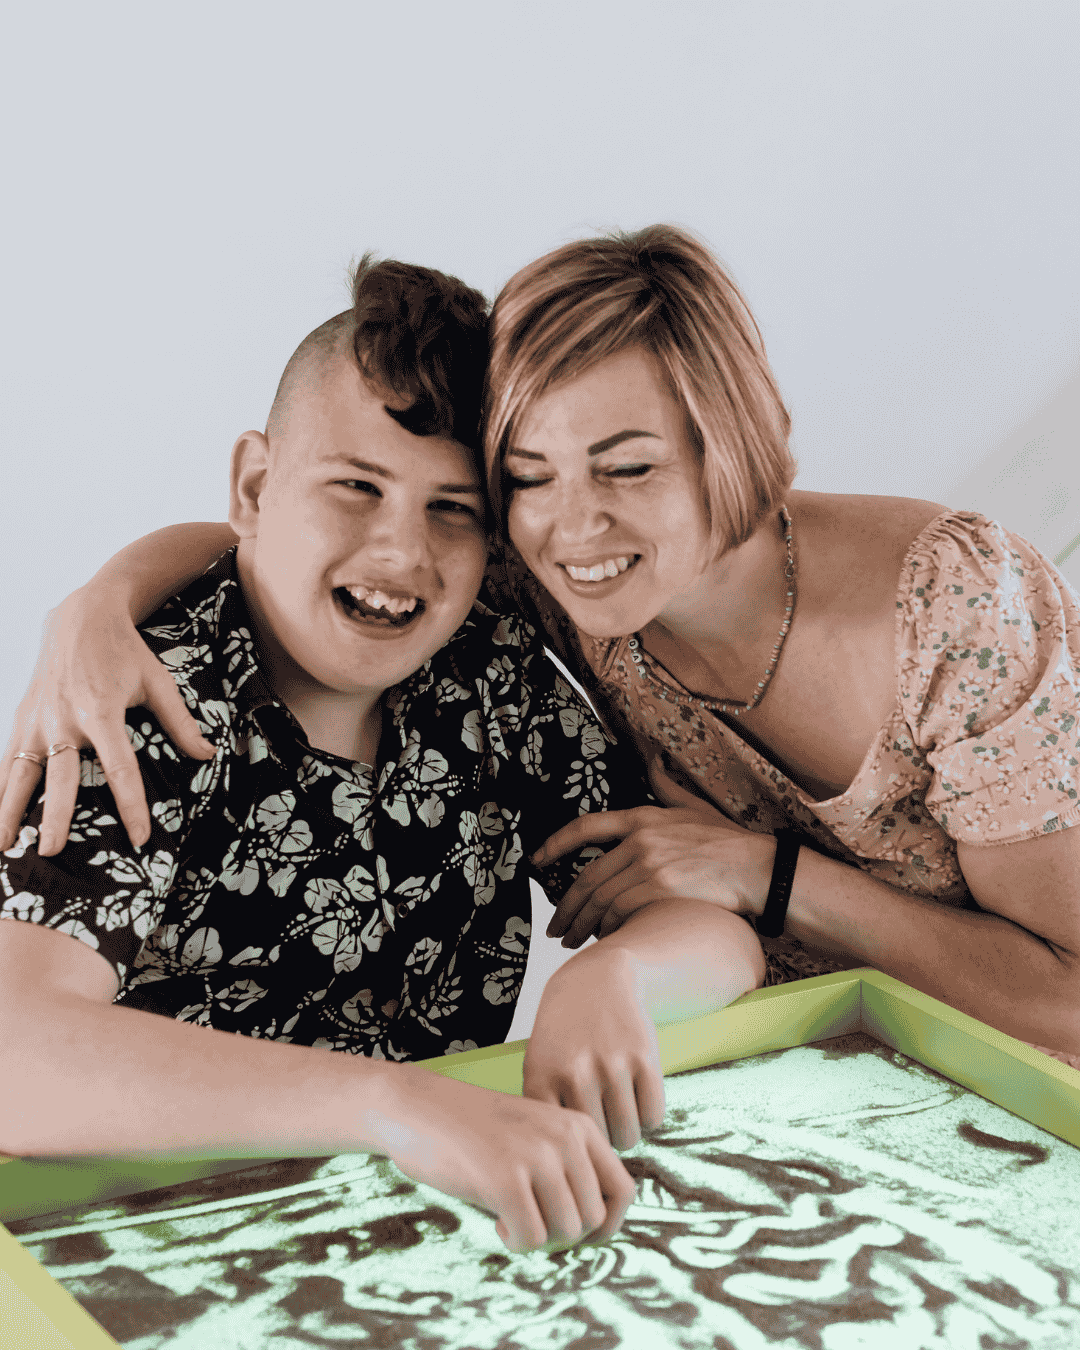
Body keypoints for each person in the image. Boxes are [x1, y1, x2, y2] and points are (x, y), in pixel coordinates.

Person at [4, 224, 1079, 1071]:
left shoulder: (952, 606)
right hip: (765, 1056)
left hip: (1003, 1057)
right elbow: (315, 542)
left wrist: (726, 904)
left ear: (731, 444)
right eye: (528, 476)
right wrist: (99, 604)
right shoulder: (516, 578)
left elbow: (1066, 1008)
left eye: (629, 466)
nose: (573, 527)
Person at [0, 256, 769, 1256]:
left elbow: (717, 933)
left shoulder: (492, 673)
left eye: (452, 509)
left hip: (424, 1239)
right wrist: (391, 1108)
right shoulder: (137, 699)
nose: (402, 551)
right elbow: (15, 1054)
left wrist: (616, 976)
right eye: (356, 487)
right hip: (132, 1242)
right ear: (254, 485)